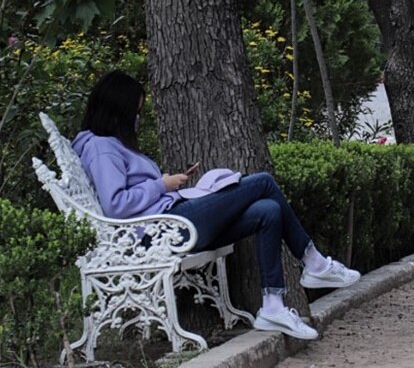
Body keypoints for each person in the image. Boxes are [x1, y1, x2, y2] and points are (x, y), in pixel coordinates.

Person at [72, 71, 360, 340]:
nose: (137, 119)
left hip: (170, 222)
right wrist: (162, 185)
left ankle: (273, 305)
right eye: (135, 113)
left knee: (268, 211)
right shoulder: (101, 147)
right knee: (263, 182)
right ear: (119, 112)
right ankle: (314, 262)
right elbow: (115, 205)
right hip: (163, 231)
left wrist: (168, 184)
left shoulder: (110, 145)